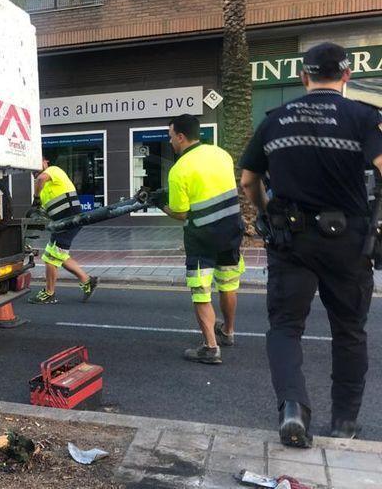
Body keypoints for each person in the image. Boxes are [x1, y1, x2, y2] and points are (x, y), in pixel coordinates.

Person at [240, 42, 382, 447]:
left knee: (285, 328)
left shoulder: (274, 121)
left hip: (291, 240)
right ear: (346, 76)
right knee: (349, 331)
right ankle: (344, 423)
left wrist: (266, 213)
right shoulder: (362, 117)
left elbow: (249, 181)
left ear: (304, 76)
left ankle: (292, 409)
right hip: (349, 243)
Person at [153, 114, 244, 365]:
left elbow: (181, 212)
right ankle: (228, 332)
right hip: (232, 230)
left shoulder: (178, 169)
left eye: (171, 137)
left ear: (181, 137)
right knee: (227, 284)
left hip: (202, 237)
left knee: (201, 291)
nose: (170, 142)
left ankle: (210, 348)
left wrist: (161, 205)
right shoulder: (221, 154)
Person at [28, 156, 98, 304]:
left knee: (51, 257)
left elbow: (40, 179)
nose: (35, 168)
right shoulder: (44, 188)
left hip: (71, 219)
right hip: (60, 223)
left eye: (37, 162)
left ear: (46, 161)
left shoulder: (53, 170)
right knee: (56, 254)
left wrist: (36, 199)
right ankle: (87, 281)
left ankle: (49, 293)